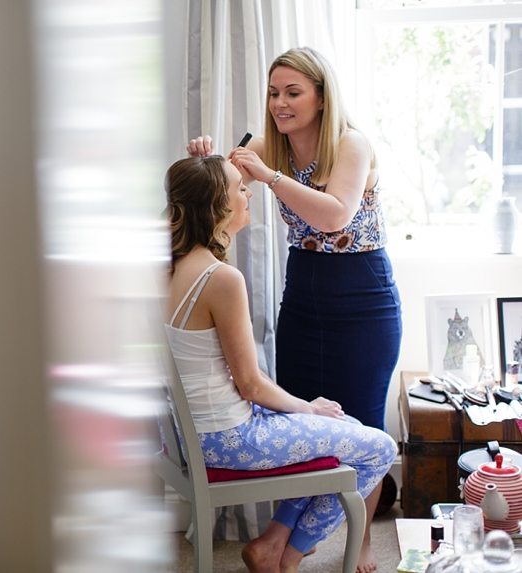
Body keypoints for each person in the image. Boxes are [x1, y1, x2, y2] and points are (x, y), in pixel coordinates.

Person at [187, 46, 402, 572]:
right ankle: (276, 543)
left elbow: (334, 216)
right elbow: (213, 181)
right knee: (301, 417)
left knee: (364, 424)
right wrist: (204, 155)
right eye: (273, 92)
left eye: (293, 92)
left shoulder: (351, 144)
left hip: (363, 294)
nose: (280, 103)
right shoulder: (268, 145)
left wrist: (272, 175)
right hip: (304, 288)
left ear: (321, 96)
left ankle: (360, 544)